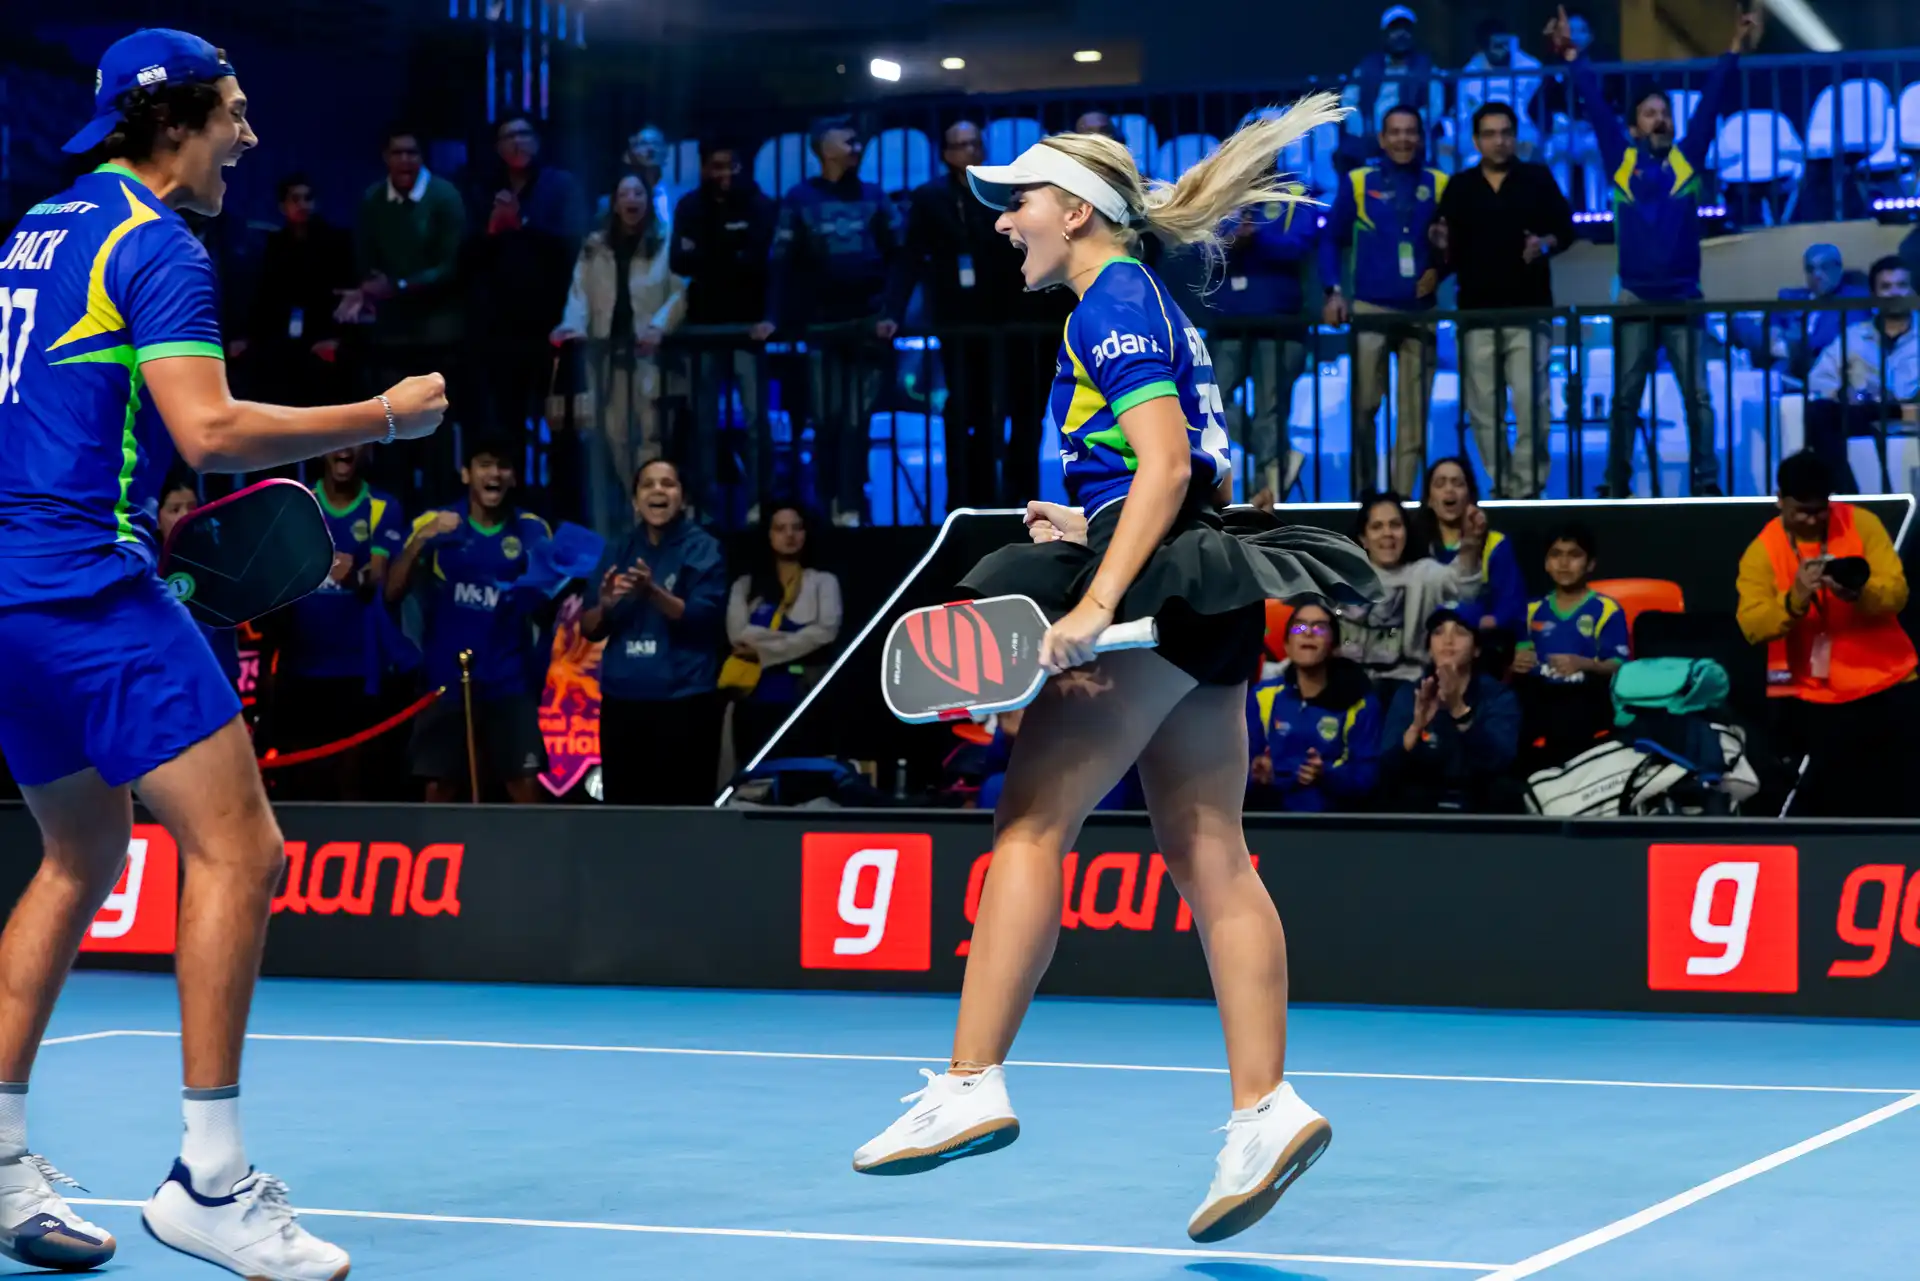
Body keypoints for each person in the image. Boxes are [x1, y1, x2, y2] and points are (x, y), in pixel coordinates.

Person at [847, 97, 1384, 1245]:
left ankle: (971, 1082)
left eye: (1021, 203)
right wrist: (1084, 526)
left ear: (1078, 212)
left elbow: (1166, 463)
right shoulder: (1147, 300)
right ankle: (1264, 1112)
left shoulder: (1113, 302)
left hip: (1159, 587)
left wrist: (1096, 599)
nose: (1004, 223)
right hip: (1212, 583)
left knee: (1030, 827)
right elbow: (1173, 470)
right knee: (1210, 852)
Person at [0, 28, 445, 1279]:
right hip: (90, 593)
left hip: (8, 601)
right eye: (233, 113)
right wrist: (385, 416)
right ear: (175, 122)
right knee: (242, 849)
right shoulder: (157, 245)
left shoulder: (35, 231)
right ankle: (209, 1182)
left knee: (80, 855)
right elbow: (208, 431)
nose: (248, 136)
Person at [1548, 3, 1757, 497]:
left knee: (1698, 398)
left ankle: (1706, 482)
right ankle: (1616, 483)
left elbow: (1711, 102)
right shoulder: (1621, 162)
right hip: (1636, 298)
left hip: (1684, 297)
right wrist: (1573, 56)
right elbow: (1596, 106)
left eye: (1664, 113)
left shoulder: (1687, 160)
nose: (1659, 119)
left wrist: (1733, 49)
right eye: (1650, 114)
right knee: (1625, 399)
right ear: (1635, 126)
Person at [1736, 451, 1918, 817]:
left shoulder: (1861, 524)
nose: (1811, 519)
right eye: (1801, 511)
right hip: (1817, 698)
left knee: (1903, 798)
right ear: (1780, 500)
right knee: (1836, 805)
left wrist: (1859, 593)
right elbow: (1752, 626)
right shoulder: (1763, 551)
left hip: (1890, 683)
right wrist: (1794, 601)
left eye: (1820, 510)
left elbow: (1897, 593)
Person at [755, 116, 906, 527]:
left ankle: (852, 507)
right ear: (824, 148)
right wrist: (772, 317)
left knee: (857, 422)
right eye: (848, 141)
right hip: (820, 328)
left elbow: (902, 256)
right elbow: (781, 262)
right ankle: (826, 507)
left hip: (869, 325)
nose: (857, 147)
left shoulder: (874, 195)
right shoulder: (800, 198)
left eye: (857, 141)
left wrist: (891, 312)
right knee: (825, 421)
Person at [390, 437, 552, 803]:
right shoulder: (434, 523)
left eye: (503, 466)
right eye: (484, 465)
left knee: (526, 786)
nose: (494, 474)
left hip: (509, 681)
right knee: (439, 789)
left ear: (514, 477)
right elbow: (392, 593)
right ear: (466, 473)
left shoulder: (533, 530)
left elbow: (547, 609)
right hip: (446, 681)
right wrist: (421, 541)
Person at [899, 120, 1045, 509]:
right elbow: (910, 256)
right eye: (961, 145)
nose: (970, 151)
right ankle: (968, 497)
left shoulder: (1002, 192)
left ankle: (1019, 493)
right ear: (946, 154)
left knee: (1024, 406)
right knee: (968, 406)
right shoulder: (930, 197)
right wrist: (892, 311)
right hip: (959, 321)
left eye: (975, 143)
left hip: (1011, 317)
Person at [1433, 103, 1574, 499]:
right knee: (1483, 410)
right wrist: (1439, 245)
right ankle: (1502, 486)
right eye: (1490, 134)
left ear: (1515, 136)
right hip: (1476, 314)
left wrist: (1544, 243)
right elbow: (1445, 248)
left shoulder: (1537, 179)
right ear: (1476, 141)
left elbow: (1566, 229)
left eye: (1506, 133)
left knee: (1532, 407)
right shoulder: (1460, 186)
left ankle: (1527, 489)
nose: (1499, 141)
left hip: (1529, 311)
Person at [582, 460, 728, 804]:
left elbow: (703, 619)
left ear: (683, 498)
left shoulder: (703, 548)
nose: (658, 491)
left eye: (668, 484)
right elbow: (589, 630)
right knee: (625, 810)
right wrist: (605, 607)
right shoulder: (618, 549)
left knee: (684, 810)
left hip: (684, 700)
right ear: (635, 501)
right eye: (648, 485)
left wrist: (652, 592)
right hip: (623, 702)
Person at [552, 173, 688, 538]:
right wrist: (571, 326)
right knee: (616, 439)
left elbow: (680, 292)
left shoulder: (665, 242)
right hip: (608, 357)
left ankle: (654, 523)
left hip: (649, 357)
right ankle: (634, 519)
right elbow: (579, 294)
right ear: (614, 202)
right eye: (624, 192)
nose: (631, 199)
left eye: (638, 192)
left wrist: (659, 326)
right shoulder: (595, 246)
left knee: (651, 437)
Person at [1320, 106, 1446, 496]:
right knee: (1364, 409)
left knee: (1413, 416)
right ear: (1382, 138)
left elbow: (1455, 245)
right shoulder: (1358, 182)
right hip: (1369, 309)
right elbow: (1330, 239)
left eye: (1411, 132)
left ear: (1421, 138)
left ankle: (1401, 500)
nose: (1403, 139)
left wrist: (1442, 267)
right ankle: (1366, 497)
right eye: (1395, 132)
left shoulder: (1441, 183)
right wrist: (1333, 291)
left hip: (1421, 312)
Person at [271, 448, 409, 801]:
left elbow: (378, 582)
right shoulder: (298, 503)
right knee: (301, 783)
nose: (345, 449)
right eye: (338, 441)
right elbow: (278, 582)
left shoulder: (383, 507)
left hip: (359, 672)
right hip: (301, 670)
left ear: (368, 450)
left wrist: (354, 578)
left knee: (355, 785)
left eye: (355, 441)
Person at [342, 123, 466, 498]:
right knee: (391, 430)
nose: (405, 160)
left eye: (412, 153)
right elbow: (365, 259)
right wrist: (370, 287)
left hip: (438, 336)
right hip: (390, 339)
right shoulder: (372, 199)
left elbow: (452, 265)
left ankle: (436, 511)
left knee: (436, 436)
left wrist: (398, 286)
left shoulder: (445, 197)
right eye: (398, 153)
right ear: (386, 158)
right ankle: (393, 516)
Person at [466, 115, 587, 458]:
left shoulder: (560, 185)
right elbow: (466, 257)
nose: (517, 141)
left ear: (537, 140)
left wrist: (522, 224)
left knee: (562, 425)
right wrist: (493, 230)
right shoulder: (482, 190)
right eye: (509, 136)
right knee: (507, 423)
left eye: (524, 134)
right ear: (497, 147)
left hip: (553, 326)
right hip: (501, 331)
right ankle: (513, 490)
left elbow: (574, 244)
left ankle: (565, 492)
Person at [670, 142, 776, 508]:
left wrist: (710, 255)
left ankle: (760, 504)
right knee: (702, 423)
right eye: (717, 165)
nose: (725, 173)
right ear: (703, 167)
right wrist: (732, 252)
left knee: (756, 421)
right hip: (703, 328)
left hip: (749, 327)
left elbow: (760, 260)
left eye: (731, 165)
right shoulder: (689, 206)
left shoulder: (760, 204)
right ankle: (704, 505)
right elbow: (679, 261)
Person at [1207, 199, 1316, 506]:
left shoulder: (1294, 196)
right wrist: (1231, 238)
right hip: (1228, 323)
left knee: (1270, 410)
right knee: (1212, 401)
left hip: (1278, 322)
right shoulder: (1222, 196)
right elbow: (1198, 250)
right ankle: (1279, 454)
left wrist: (1258, 237)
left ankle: (1263, 498)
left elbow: (1300, 245)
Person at [1340, 491, 1486, 704]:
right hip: (1347, 686)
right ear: (1363, 539)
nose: (1387, 533)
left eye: (1395, 525)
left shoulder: (1424, 574)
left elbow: (1464, 589)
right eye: (1377, 527)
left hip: (1409, 688)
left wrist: (1471, 544)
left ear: (1406, 533)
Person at [725, 502, 843, 763]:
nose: (789, 535)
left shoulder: (824, 582)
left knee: (803, 775)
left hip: (806, 698)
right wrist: (796, 640)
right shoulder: (745, 586)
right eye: (780, 528)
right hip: (753, 699)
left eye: (796, 528)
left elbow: (825, 633)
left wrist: (761, 650)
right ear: (767, 535)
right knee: (756, 777)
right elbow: (738, 637)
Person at [228, 174, 354, 407]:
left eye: (308, 198)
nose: (302, 205)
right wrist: (248, 338)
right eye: (295, 199)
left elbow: (347, 296)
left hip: (323, 332)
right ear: (282, 206)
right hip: (282, 335)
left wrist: (336, 338)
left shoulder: (336, 242)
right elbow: (265, 297)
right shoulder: (276, 245)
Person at [1379, 606, 1521, 812]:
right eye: (1438, 632)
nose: (1448, 640)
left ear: (1476, 649)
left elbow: (1499, 761)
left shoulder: (1498, 696)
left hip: (1478, 803)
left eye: (1460, 632)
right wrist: (1416, 727)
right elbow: (1388, 765)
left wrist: (1459, 710)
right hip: (1423, 805)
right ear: (1429, 648)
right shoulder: (1411, 693)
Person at [1510, 523, 1628, 770]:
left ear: (1590, 564)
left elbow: (1619, 666)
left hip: (1585, 699)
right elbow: (1520, 656)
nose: (1564, 563)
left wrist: (1584, 664)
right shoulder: (1530, 610)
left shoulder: (1607, 610)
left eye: (1574, 555)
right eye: (1556, 555)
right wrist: (1516, 663)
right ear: (1546, 563)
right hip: (1539, 698)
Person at [1246, 604, 1381, 813]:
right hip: (1268, 817)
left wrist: (1326, 775)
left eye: (1319, 628)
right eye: (1299, 627)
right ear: (1287, 645)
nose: (1308, 633)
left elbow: (1367, 777)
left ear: (1334, 647)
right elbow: (1237, 766)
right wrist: (1256, 774)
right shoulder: (1261, 696)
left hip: (1332, 821)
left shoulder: (1360, 703)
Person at [1805, 256, 1917, 493]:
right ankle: (1850, 495)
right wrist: (1842, 392)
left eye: (1902, 285)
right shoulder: (1854, 335)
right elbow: (1817, 379)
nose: (1895, 293)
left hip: (1912, 412)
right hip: (1866, 414)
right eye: (1886, 287)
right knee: (1819, 412)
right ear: (1874, 294)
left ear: (1912, 290)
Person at [1419, 458, 1526, 640]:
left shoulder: (1495, 544)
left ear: (1470, 495)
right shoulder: (1418, 545)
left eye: (1458, 483)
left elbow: (1511, 606)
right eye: (1440, 484)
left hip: (1482, 643)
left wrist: (1471, 624)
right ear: (1429, 499)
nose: (1449, 489)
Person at [156, 475, 242, 695]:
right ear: (156, 518)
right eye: (175, 510)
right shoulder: (146, 570)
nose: (185, 517)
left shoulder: (219, 561)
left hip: (219, 679)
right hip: (169, 684)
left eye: (192, 508)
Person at [1339, 7, 1445, 163]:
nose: (1401, 34)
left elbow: (1435, 106)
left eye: (1406, 29)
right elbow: (1348, 101)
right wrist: (1363, 130)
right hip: (1371, 135)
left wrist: (1410, 128)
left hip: (1409, 137)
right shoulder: (1367, 66)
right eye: (1395, 29)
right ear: (1385, 34)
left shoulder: (1426, 66)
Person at [1759, 243, 1871, 384]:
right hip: (1787, 363)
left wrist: (1788, 347)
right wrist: (1774, 338)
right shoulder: (1792, 296)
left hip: (1826, 366)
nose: (1816, 275)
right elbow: (1771, 323)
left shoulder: (1855, 298)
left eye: (1824, 267)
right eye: (1810, 269)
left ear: (1838, 268)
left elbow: (1837, 339)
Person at [1452, 19, 1544, 168]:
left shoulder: (1530, 67)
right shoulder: (1469, 73)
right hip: (1481, 130)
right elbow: (1464, 113)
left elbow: (1537, 110)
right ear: (1483, 47)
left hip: (1520, 129)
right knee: (1451, 147)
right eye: (1496, 46)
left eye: (1505, 44)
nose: (1502, 50)